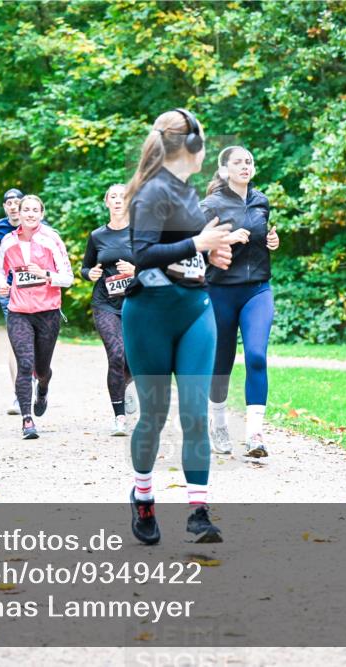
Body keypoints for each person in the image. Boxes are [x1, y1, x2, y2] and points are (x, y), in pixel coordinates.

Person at [122, 108, 237, 545]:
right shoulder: (151, 192)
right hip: (149, 313)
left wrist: (209, 253)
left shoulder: (188, 191)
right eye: (203, 143)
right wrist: (199, 242)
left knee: (194, 413)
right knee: (153, 414)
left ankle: (198, 512)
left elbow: (183, 249)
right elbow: (142, 253)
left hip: (195, 308)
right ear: (190, 146)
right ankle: (144, 497)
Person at [200, 146, 280, 458]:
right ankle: (218, 423)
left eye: (249, 161)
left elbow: (263, 239)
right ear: (224, 170)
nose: (245, 166)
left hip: (258, 290)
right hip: (220, 291)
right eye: (238, 162)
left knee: (257, 356)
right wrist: (223, 240)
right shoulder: (210, 205)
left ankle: (255, 434)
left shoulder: (261, 201)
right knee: (222, 362)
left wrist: (272, 241)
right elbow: (192, 249)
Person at [0, 195, 73, 439]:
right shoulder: (8, 241)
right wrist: (1, 285)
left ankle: (44, 387)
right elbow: (0, 270)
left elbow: (68, 277)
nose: (29, 214)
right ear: (18, 213)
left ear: (41, 213)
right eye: (25, 210)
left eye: (34, 210)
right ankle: (27, 420)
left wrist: (46, 274)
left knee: (41, 369)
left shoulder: (51, 239)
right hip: (19, 311)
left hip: (48, 311)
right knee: (25, 365)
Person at [80, 184, 138, 437]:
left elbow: (156, 267)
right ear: (106, 202)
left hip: (137, 303)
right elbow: (85, 268)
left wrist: (136, 271)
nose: (118, 200)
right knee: (116, 355)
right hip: (105, 303)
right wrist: (89, 273)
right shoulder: (97, 236)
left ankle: (128, 388)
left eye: (123, 197)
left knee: (134, 359)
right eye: (113, 197)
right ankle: (120, 417)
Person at [0, 188, 31, 415]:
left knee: (36, 344)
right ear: (5, 207)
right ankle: (19, 394)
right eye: (10, 203)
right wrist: (1, 272)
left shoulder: (35, 226)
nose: (14, 206)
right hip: (9, 291)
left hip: (35, 292)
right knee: (16, 342)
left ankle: (37, 381)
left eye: (18, 202)